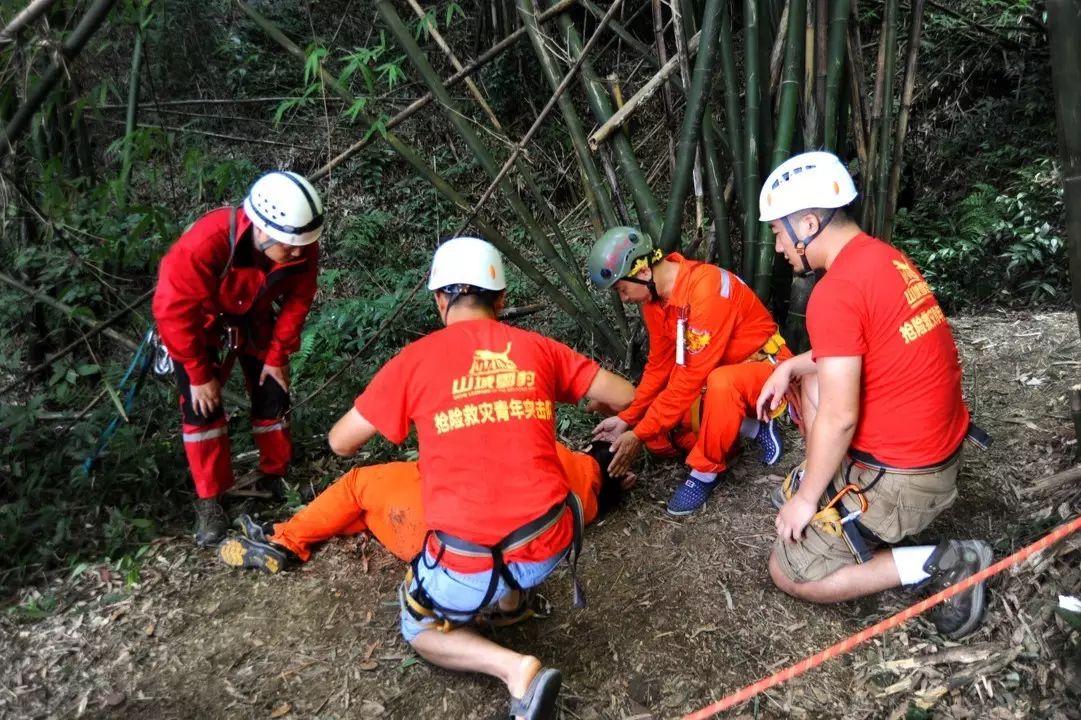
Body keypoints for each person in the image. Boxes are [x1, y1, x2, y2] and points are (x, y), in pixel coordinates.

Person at [319, 236, 634, 720]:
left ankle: (514, 669)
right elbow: (626, 393)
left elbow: (340, 442)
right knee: (517, 506)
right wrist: (592, 399)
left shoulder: (414, 361)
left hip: (468, 566)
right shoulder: (539, 349)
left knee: (417, 627)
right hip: (550, 543)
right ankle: (510, 605)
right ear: (502, 299)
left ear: (439, 299)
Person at [755, 151, 992, 639]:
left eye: (778, 232)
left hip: (907, 479)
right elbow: (851, 351)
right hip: (935, 449)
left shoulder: (835, 291)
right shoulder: (883, 256)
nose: (777, 246)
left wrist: (804, 499)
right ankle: (832, 481)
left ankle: (941, 561)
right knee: (812, 377)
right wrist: (790, 367)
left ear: (807, 222)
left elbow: (840, 416)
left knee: (787, 570)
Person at [152, 170, 324, 546]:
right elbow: (172, 310)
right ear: (261, 229)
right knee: (203, 409)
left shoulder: (300, 241)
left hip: (255, 318)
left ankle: (275, 473)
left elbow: (299, 299)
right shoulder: (207, 243)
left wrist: (277, 354)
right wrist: (198, 373)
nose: (298, 253)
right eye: (289, 246)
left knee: (272, 392)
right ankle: (210, 499)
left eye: (303, 245)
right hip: (200, 326)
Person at [586, 226, 793, 516]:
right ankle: (755, 428)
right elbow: (660, 366)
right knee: (673, 422)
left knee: (719, 384)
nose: (624, 299)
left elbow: (690, 379)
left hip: (769, 372)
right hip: (715, 374)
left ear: (643, 272)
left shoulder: (706, 290)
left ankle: (704, 473)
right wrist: (627, 418)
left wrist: (639, 434)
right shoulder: (655, 302)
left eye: (622, 289)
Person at [216, 440, 631, 575]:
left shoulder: (553, 449)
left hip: (439, 512)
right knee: (364, 512)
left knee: (359, 484)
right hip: (442, 551)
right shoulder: (585, 510)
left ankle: (285, 541)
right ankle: (291, 530)